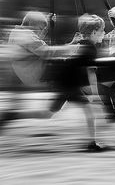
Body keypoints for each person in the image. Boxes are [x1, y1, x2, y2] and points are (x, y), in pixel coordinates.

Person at [0, 11, 106, 151]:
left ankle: (13, 115)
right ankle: (92, 144)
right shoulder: (89, 48)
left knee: (46, 114)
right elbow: (46, 51)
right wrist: (94, 93)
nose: (41, 32)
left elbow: (42, 45)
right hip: (59, 78)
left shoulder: (20, 33)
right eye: (102, 31)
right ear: (93, 32)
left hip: (60, 79)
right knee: (88, 109)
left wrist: (70, 43)